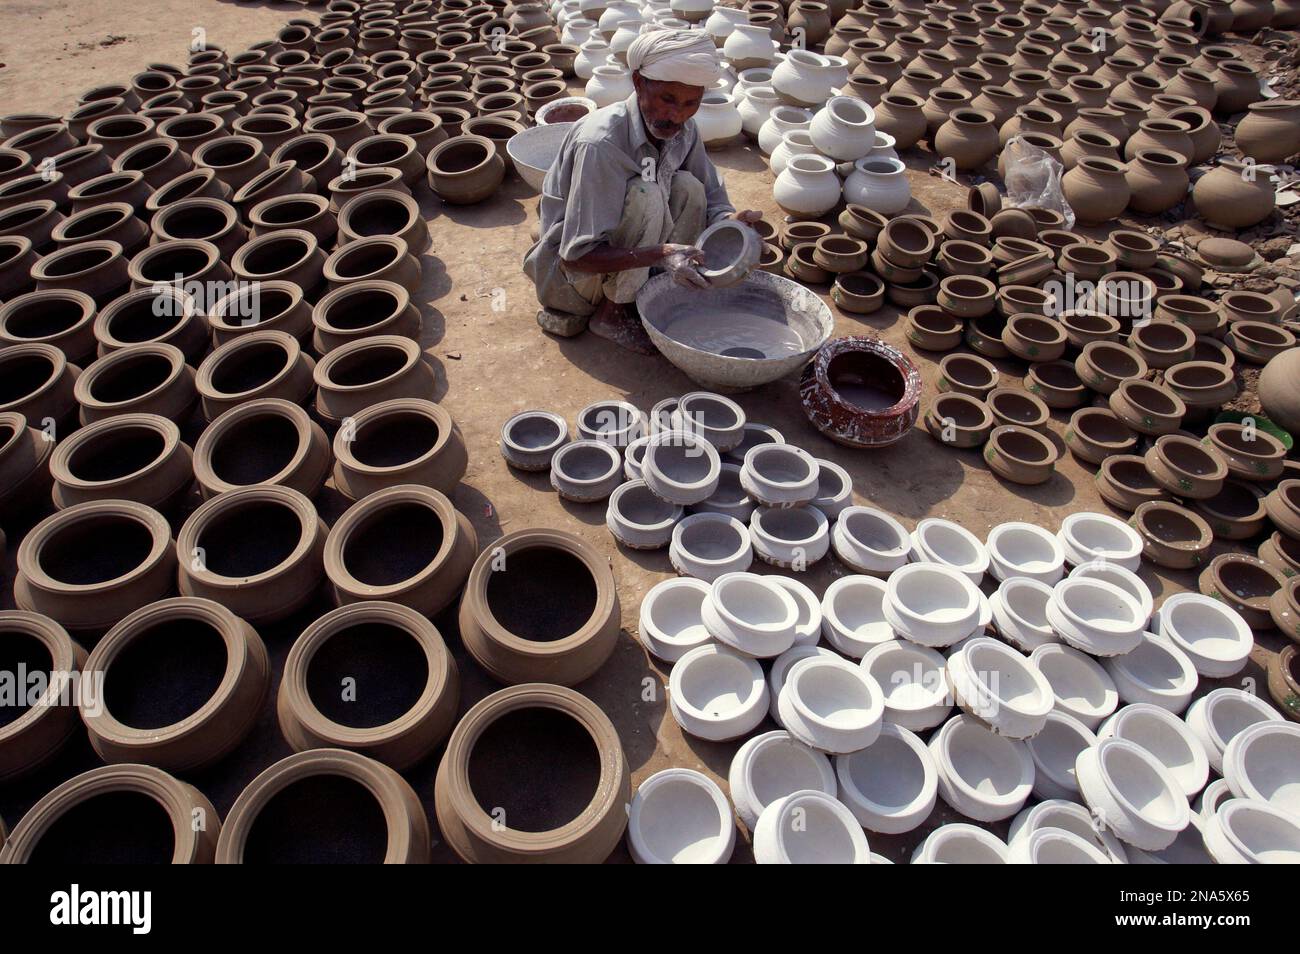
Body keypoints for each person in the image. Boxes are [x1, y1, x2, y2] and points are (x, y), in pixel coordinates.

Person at [523, 28, 761, 354]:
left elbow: (710, 193)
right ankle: (612, 314)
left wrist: (730, 222)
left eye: (691, 103)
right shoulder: (601, 144)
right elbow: (576, 256)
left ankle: (654, 292)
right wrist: (662, 254)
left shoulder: (683, 129)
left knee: (688, 186)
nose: (676, 115)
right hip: (570, 281)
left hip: (630, 263)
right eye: (667, 99)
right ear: (638, 83)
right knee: (647, 195)